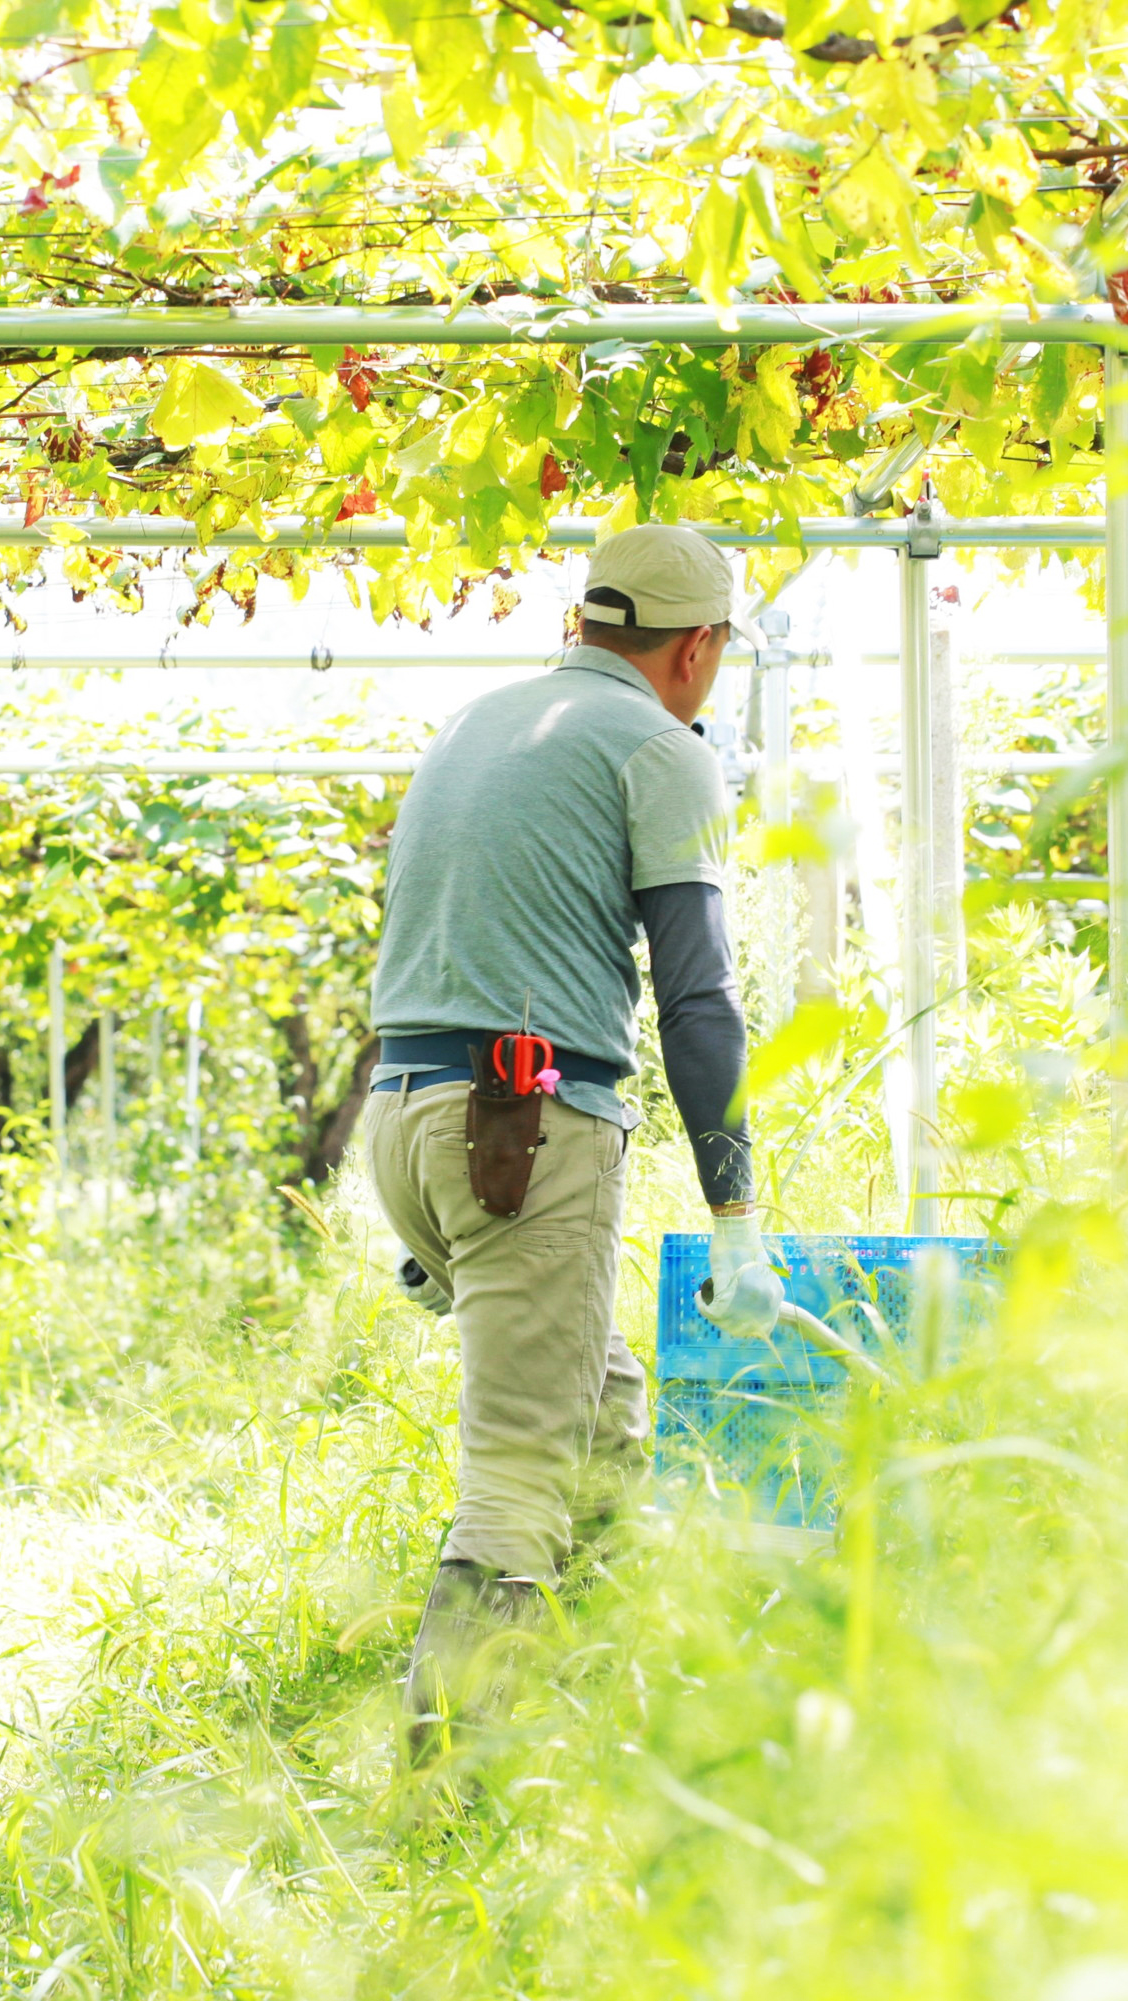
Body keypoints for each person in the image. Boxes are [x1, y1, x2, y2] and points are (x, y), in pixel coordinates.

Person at [362, 522, 780, 1762]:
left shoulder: (481, 725)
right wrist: (736, 1216)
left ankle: (595, 1729)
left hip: (411, 1118)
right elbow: (698, 1000)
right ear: (696, 648)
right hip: (523, 1135)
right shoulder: (661, 750)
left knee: (602, 1413)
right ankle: (447, 1798)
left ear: (584, 626)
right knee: (516, 1482)